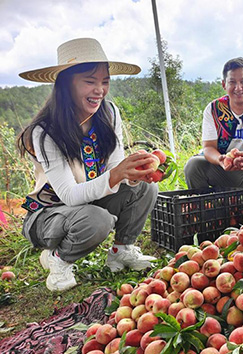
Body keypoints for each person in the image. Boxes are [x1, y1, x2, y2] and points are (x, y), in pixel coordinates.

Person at [17, 38, 158, 292]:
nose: (100, 91)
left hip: (88, 204)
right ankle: (57, 259)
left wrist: (132, 174)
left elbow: (115, 165)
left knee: (146, 189)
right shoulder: (45, 131)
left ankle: (121, 251)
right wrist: (116, 174)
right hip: (49, 214)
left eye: (105, 82)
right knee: (97, 219)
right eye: (90, 82)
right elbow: (70, 195)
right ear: (66, 85)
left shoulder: (109, 113)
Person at [183, 57, 243, 217]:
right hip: (219, 169)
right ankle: (210, 213)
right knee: (193, 166)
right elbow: (208, 148)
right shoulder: (214, 109)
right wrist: (220, 159)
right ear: (224, 84)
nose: (238, 87)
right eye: (232, 82)